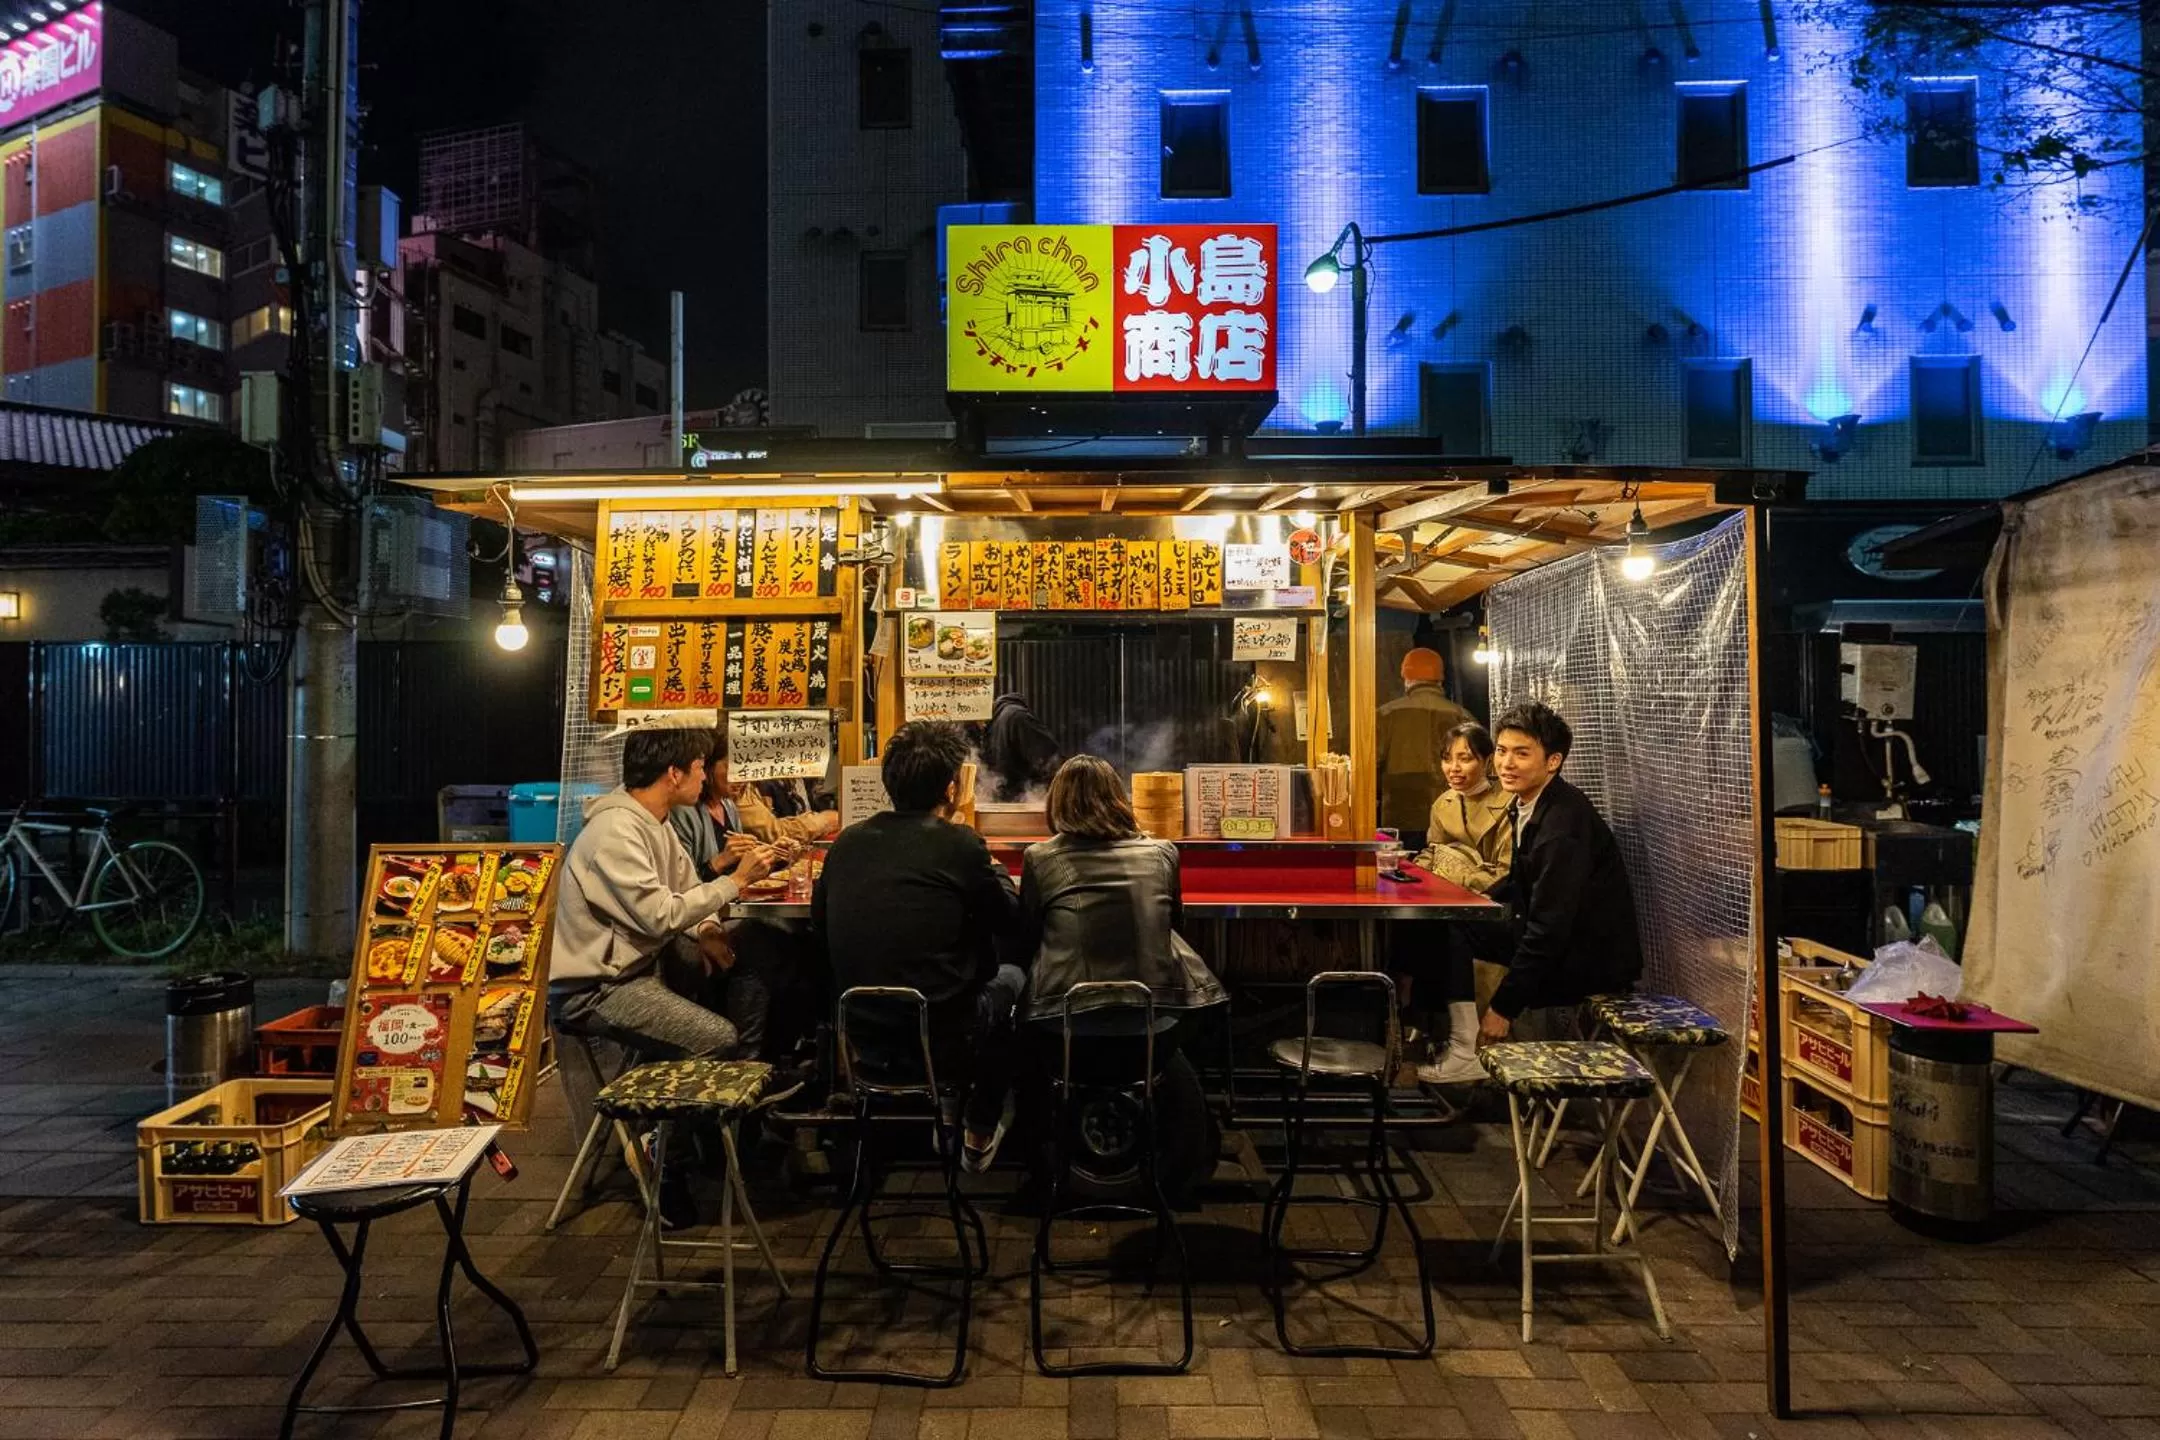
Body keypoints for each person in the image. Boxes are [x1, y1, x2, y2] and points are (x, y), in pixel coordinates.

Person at [1012, 755, 1226, 1201]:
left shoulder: (1040, 858)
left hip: (1066, 1037)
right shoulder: (1163, 853)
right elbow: (1173, 924)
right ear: (1119, 800)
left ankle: (1031, 1154)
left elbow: (1027, 936)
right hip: (1153, 1036)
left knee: (1017, 1021)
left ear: (1057, 804)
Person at [813, 720, 1022, 1172]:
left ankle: (946, 1112)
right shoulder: (959, 843)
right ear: (950, 789)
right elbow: (1008, 917)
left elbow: (818, 924)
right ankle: (978, 1127)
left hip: (863, 1034)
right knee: (1015, 980)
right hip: (943, 1035)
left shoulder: (845, 843)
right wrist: (988, 859)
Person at [552, 725, 782, 1061]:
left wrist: (707, 929)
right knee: (717, 1038)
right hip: (598, 989)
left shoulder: (655, 820)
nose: (704, 777)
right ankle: (680, 1104)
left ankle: (745, 1072)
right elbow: (661, 916)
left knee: (758, 944)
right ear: (675, 773)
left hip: (645, 963)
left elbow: (688, 887)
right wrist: (737, 880)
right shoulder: (616, 831)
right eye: (701, 766)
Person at [1478, 701, 1645, 1044]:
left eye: (1521, 754)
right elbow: (1521, 883)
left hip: (1586, 962)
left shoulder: (1562, 827)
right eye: (1501, 751)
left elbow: (1548, 928)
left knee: (1459, 936)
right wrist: (1477, 902)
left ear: (1553, 762)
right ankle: (1457, 1043)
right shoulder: (1529, 802)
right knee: (1446, 927)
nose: (1506, 763)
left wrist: (1503, 1007)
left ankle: (1468, 1054)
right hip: (1554, 938)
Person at [668, 730, 810, 1063]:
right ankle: (747, 1060)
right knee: (765, 942)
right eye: (730, 768)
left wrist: (773, 854)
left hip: (723, 911)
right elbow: (682, 887)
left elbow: (742, 865)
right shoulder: (684, 813)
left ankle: (778, 1050)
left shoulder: (729, 806)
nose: (741, 778)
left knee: (791, 939)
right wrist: (721, 862)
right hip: (694, 926)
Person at [1410, 722, 1514, 1084]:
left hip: (1498, 905)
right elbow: (1430, 853)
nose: (1454, 768)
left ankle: (1463, 1045)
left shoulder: (1508, 805)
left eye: (1465, 759)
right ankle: (1422, 1026)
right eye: (1447, 759)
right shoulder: (1444, 803)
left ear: (1486, 761)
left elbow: (1506, 874)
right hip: (1453, 901)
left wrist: (1456, 864)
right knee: (1417, 926)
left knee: (1449, 928)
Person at [1374, 648, 1472, 849]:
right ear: (1440, 680)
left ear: (1406, 678)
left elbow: (1368, 765)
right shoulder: (1462, 716)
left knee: (1402, 873)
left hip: (1399, 817)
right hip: (1452, 818)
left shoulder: (1385, 715)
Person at [984, 691, 1063, 801]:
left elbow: (1052, 762)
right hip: (1011, 807)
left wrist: (1044, 799)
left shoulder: (1016, 717)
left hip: (1028, 804)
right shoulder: (986, 728)